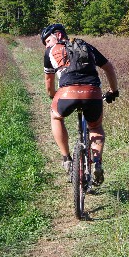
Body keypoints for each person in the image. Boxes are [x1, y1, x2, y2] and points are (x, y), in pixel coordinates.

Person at [41, 23, 119, 185]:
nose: (47, 44)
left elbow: (49, 83)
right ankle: (97, 163)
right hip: (93, 92)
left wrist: (54, 96)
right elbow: (108, 68)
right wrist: (113, 91)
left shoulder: (50, 51)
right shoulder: (86, 46)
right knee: (95, 127)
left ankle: (66, 158)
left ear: (58, 35)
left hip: (67, 92)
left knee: (56, 117)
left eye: (47, 40)